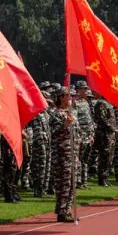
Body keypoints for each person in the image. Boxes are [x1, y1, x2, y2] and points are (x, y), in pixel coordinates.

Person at [47, 86, 78, 223]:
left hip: (72, 153)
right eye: (67, 95)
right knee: (63, 183)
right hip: (62, 155)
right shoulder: (56, 114)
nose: (70, 97)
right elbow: (53, 133)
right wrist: (65, 124)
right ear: (61, 97)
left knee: (72, 183)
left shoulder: (71, 113)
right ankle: (61, 211)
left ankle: (67, 209)